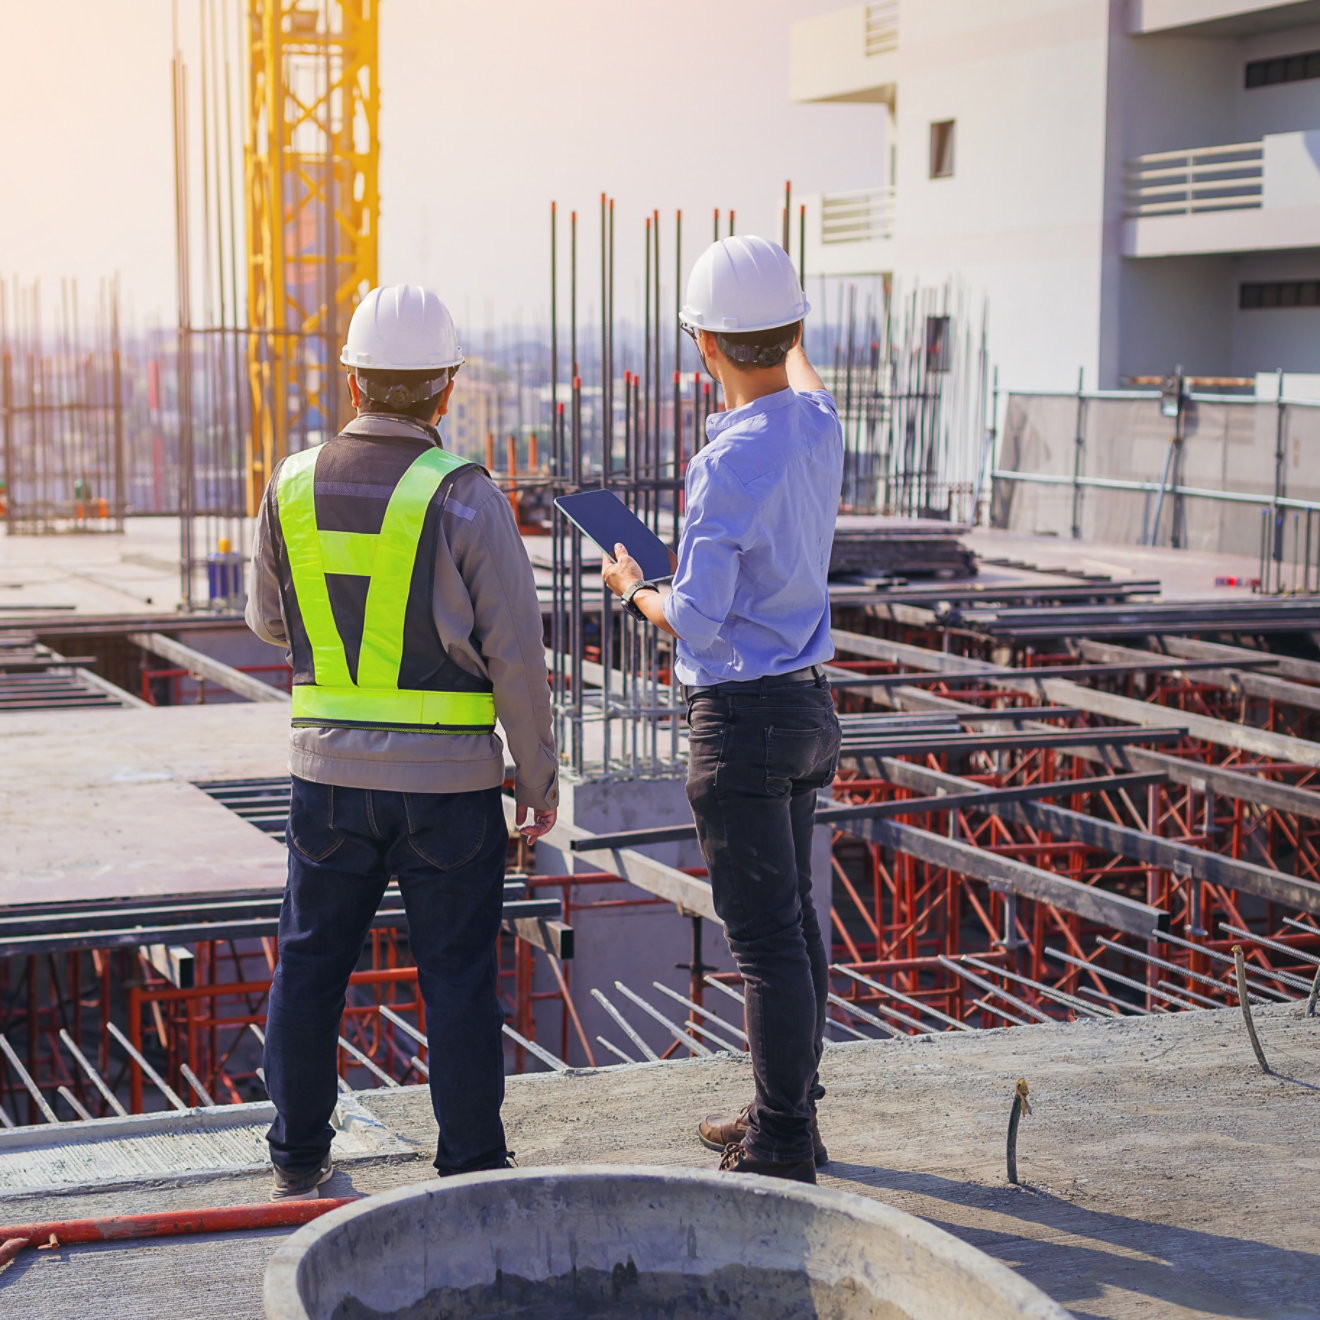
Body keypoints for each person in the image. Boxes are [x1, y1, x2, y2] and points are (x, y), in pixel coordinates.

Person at [247, 284, 558, 1200]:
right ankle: (468, 1167)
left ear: (352, 380)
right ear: (445, 388)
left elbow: (269, 620)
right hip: (450, 791)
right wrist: (536, 778)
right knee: (458, 978)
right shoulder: (465, 497)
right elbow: (518, 658)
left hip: (327, 780)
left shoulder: (291, 483)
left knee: (308, 966)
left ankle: (298, 1159)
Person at [602, 236, 843, 1185]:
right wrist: (784, 331)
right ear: (789, 333)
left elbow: (697, 625)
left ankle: (782, 1141)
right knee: (793, 925)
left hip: (741, 720)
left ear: (702, 345)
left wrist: (631, 585)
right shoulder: (818, 427)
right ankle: (791, 1113)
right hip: (806, 710)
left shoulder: (728, 459)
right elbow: (805, 381)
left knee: (767, 942)